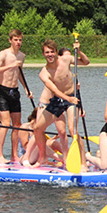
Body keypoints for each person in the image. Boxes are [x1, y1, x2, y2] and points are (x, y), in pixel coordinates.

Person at [31, 40, 90, 170]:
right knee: (37, 128)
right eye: (47, 52)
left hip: (72, 98)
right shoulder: (44, 72)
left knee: (72, 130)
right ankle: (43, 158)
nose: (50, 54)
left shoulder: (66, 59)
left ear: (56, 52)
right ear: (43, 54)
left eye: (52, 52)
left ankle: (83, 163)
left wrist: (79, 51)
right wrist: (67, 98)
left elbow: (86, 62)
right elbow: (55, 90)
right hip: (59, 99)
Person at [0, 29, 32, 164]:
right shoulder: (4, 54)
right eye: (15, 40)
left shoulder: (22, 56)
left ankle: (14, 155)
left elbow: (19, 73)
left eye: (20, 40)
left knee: (17, 125)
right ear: (10, 40)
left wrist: (26, 88)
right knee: (6, 124)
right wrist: (10, 65)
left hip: (15, 92)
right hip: (2, 91)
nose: (18, 42)